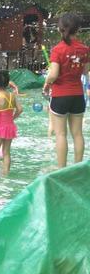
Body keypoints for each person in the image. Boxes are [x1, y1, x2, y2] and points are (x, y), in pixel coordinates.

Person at [43, 13, 89, 168]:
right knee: (77, 134)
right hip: (78, 95)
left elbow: (54, 74)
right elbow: (85, 71)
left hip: (60, 95)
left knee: (61, 134)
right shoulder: (84, 49)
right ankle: (77, 168)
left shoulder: (58, 49)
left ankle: (61, 169)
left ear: (59, 29)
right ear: (78, 30)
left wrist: (47, 82)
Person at [0, 71, 23, 176]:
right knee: (6, 153)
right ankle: (6, 173)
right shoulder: (12, 96)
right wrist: (12, 118)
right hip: (10, 126)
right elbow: (20, 109)